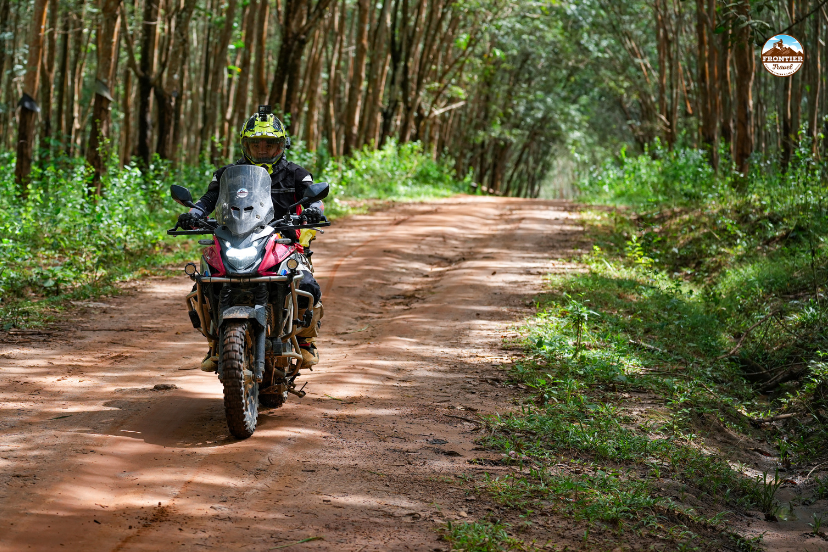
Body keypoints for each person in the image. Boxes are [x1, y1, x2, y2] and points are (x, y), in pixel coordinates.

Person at [177, 105, 324, 372]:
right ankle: (216, 343)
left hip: (282, 243)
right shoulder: (227, 174)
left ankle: (305, 341)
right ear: (246, 145)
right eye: (256, 144)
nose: (263, 149)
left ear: (282, 145)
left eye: (270, 144)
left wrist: (314, 210)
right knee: (203, 285)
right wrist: (193, 214)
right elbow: (207, 200)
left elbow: (314, 198)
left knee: (307, 285)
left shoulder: (297, 173)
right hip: (234, 238)